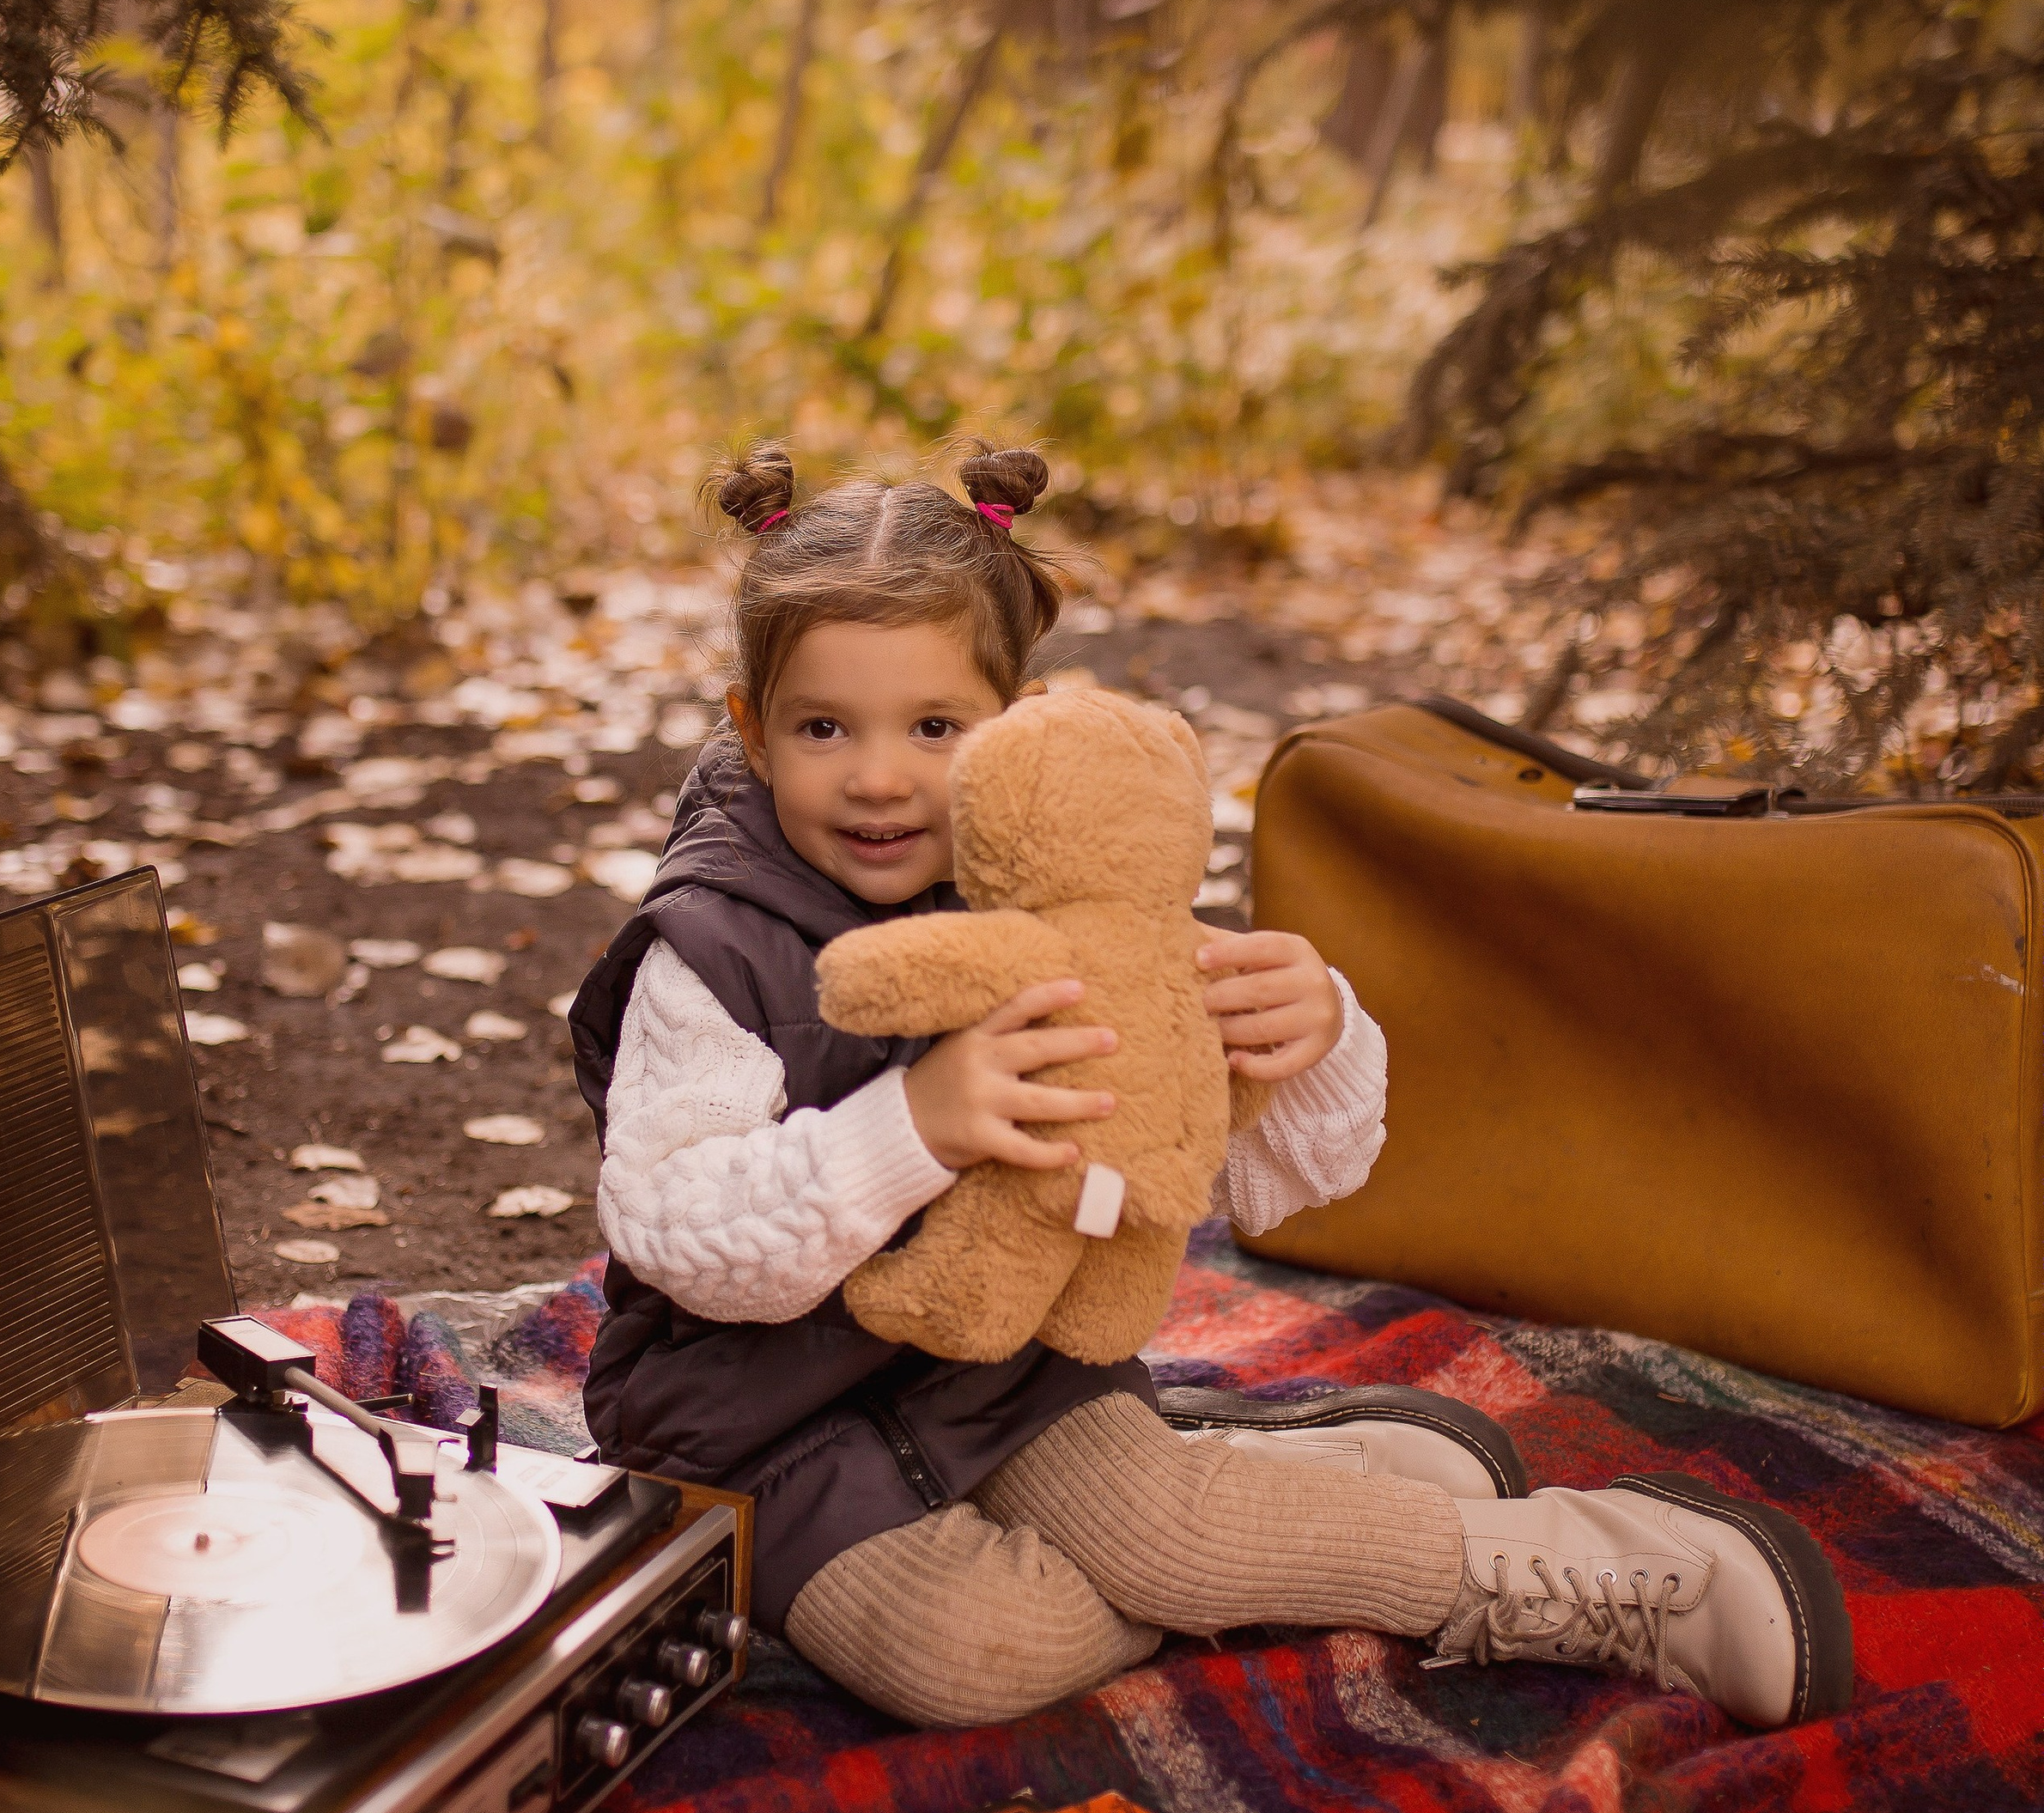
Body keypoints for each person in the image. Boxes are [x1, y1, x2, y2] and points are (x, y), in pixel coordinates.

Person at [568, 441, 1852, 1734]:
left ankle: (1577, 1564)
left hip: (1006, 1372)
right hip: (758, 1436)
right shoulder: (709, 953)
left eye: (937, 727)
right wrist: (912, 1127)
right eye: (825, 728)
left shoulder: (1068, 897)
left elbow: (1247, 1172)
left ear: (1014, 724)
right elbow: (681, 1232)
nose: (882, 776)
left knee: (1167, 1543)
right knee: (968, 1661)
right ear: (752, 728)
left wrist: (1313, 1038)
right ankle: (1281, 1508)